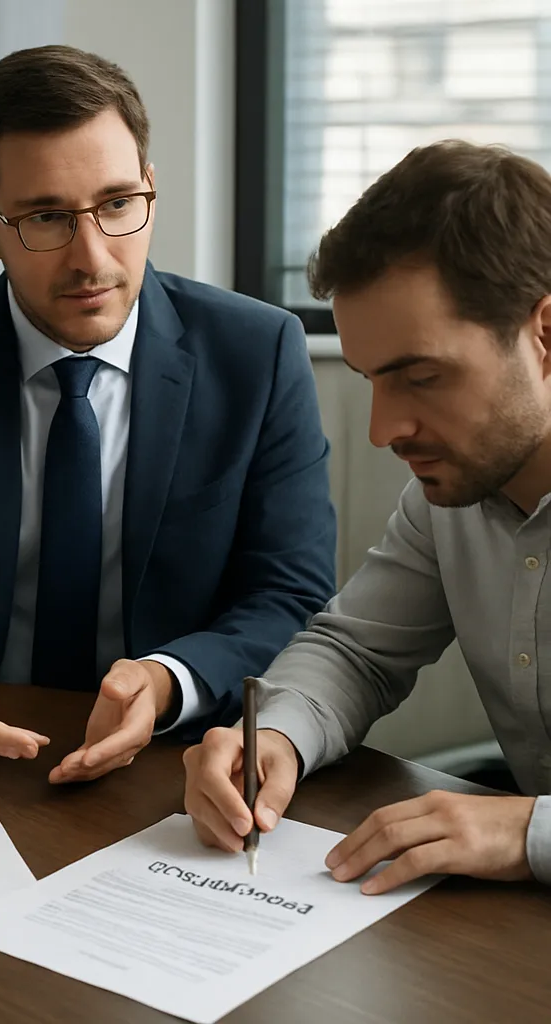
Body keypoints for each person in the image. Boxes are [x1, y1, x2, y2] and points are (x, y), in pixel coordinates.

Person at [0, 45, 334, 783]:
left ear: (150, 187)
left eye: (119, 204)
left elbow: (292, 590)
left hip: (176, 761)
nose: (92, 257)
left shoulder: (258, 352)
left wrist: (167, 679)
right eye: (47, 217)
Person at [184, 139, 551, 893]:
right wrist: (276, 736)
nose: (384, 431)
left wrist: (528, 828)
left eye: (421, 377)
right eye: (370, 381)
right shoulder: (445, 498)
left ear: (544, 334)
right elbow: (356, 653)